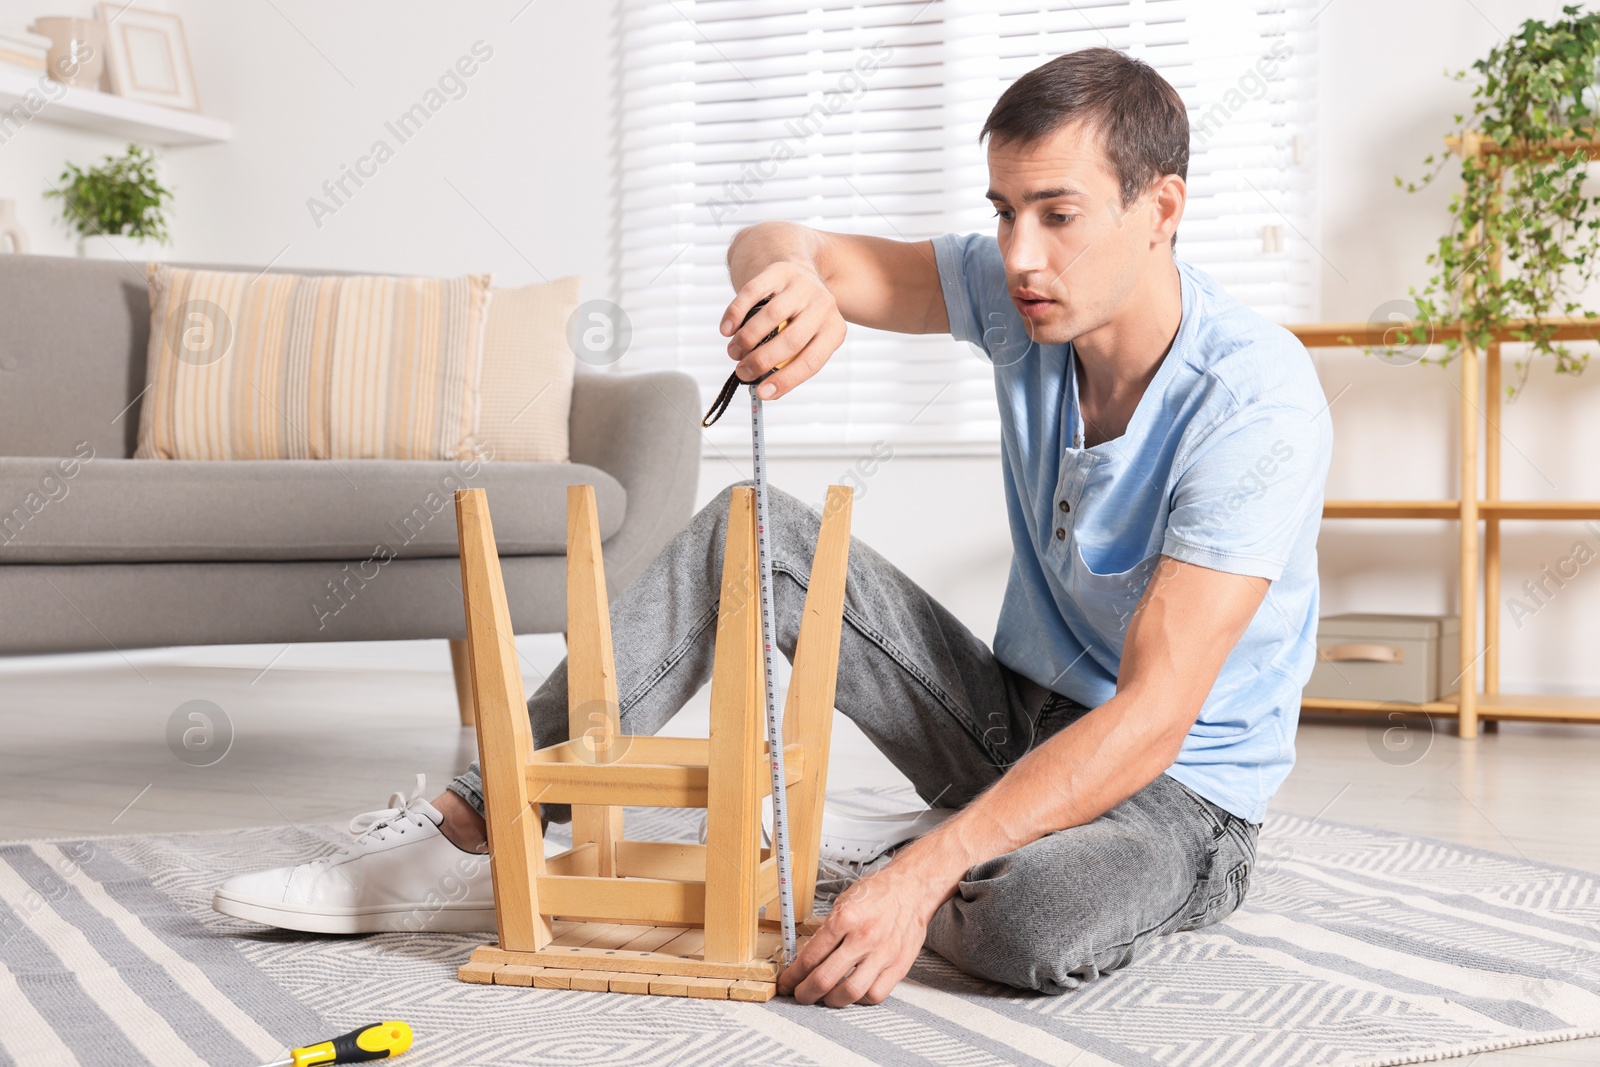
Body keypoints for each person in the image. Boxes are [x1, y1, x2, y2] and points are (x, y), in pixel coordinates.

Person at [214, 46, 1332, 1009]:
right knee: (759, 525)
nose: (1019, 253)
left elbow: (1150, 717)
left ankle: (912, 861)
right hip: (1014, 720)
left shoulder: (1254, 404)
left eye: (1057, 214)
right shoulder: (1019, 296)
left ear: (1162, 209)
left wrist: (919, 873)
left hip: (1179, 789)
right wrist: (790, 286)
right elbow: (777, 237)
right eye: (1002, 212)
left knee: (1022, 925)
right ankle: (480, 826)